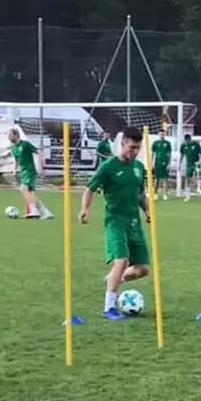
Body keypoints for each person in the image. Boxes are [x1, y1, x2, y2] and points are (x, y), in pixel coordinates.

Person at [80, 125, 151, 320]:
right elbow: (90, 188)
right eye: (131, 148)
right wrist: (85, 209)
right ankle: (109, 308)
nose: (134, 152)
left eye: (137, 148)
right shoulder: (108, 167)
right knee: (122, 261)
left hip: (134, 222)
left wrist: (147, 210)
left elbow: (140, 194)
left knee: (143, 269)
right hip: (115, 220)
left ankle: (112, 278)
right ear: (122, 144)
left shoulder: (138, 167)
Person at [10, 128, 53, 220]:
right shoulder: (13, 148)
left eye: (10, 135)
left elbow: (38, 152)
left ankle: (34, 211)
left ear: (16, 135)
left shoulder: (25, 144)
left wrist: (41, 164)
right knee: (30, 193)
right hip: (22, 172)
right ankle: (46, 212)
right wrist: (14, 170)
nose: (9, 137)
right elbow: (16, 160)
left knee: (23, 189)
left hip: (29, 170)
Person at [150, 126, 173, 201]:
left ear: (164, 135)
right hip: (157, 163)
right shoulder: (156, 143)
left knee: (165, 179)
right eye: (160, 134)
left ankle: (165, 194)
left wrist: (169, 164)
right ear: (159, 135)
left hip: (165, 163)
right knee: (157, 179)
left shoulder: (167, 143)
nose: (162, 135)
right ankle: (155, 194)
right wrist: (151, 163)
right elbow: (153, 154)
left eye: (163, 134)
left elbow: (169, 154)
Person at [179, 134, 201, 199]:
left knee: (199, 173)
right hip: (189, 164)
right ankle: (187, 195)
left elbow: (200, 153)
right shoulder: (183, 145)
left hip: (196, 162)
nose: (186, 142)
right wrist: (179, 163)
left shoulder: (196, 144)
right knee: (188, 178)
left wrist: (200, 161)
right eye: (185, 140)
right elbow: (182, 155)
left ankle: (198, 188)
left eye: (187, 140)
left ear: (190, 139)